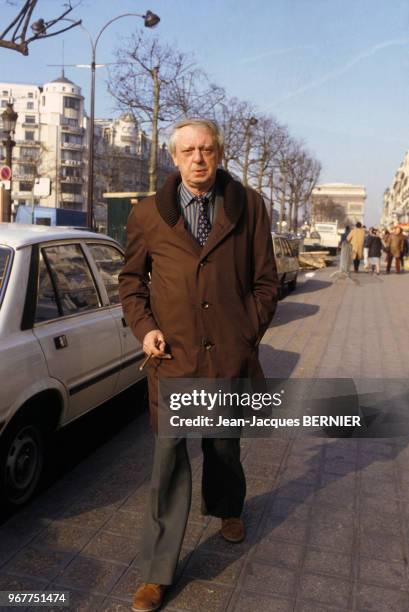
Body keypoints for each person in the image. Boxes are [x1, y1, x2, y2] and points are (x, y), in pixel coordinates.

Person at [118, 118, 279, 611]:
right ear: (174, 157)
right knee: (168, 462)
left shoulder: (248, 206)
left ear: (219, 151)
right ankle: (157, 571)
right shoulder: (148, 215)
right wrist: (146, 329)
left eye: (206, 149)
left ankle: (228, 506)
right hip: (173, 359)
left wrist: (244, 335)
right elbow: (131, 282)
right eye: (188, 151)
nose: (198, 159)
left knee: (223, 448)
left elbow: (266, 283)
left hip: (227, 355)